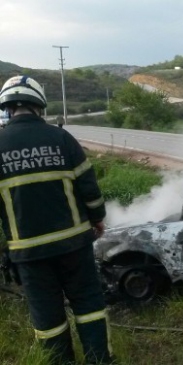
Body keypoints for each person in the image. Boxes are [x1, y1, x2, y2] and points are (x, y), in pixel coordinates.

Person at [0, 75, 114, 364]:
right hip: (73, 245)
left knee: (47, 317)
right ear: (39, 106)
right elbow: (89, 189)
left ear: (8, 109)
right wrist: (98, 218)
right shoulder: (61, 138)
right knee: (89, 305)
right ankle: (99, 359)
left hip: (28, 252)